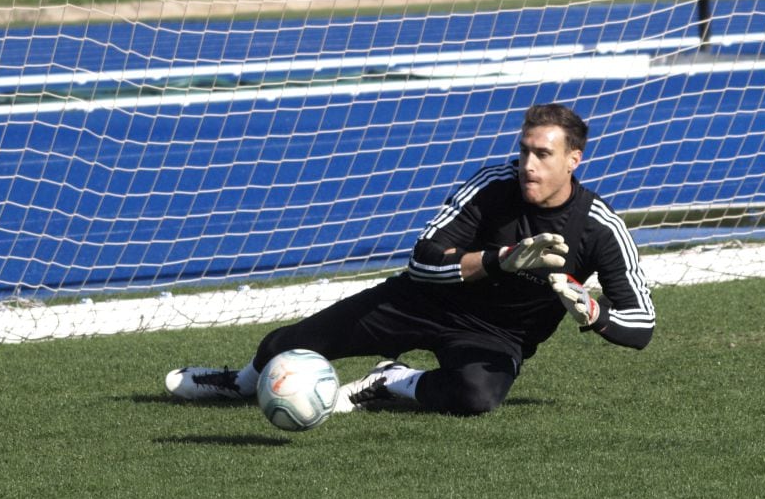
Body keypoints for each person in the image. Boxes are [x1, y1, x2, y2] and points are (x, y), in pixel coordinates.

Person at [165, 103, 656, 415]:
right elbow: (424, 259)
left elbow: (643, 323)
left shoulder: (599, 226)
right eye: (524, 150)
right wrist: (499, 260)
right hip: (423, 300)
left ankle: (392, 381)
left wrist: (593, 312)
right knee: (296, 342)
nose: (528, 164)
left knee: (477, 398)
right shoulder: (493, 186)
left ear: (574, 159)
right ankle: (239, 381)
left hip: (496, 337)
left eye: (543, 155)